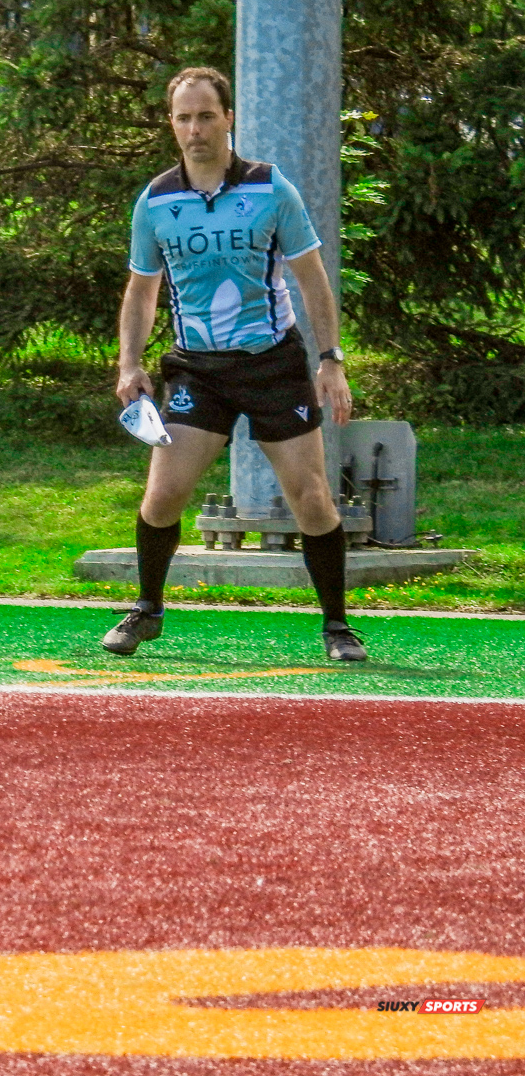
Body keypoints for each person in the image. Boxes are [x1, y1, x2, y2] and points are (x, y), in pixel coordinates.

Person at [106, 66, 366, 664]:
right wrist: (129, 363)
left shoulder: (271, 189)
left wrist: (331, 360)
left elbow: (312, 279)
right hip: (197, 370)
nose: (195, 129)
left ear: (228, 118)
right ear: (172, 124)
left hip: (272, 365)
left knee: (311, 498)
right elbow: (142, 289)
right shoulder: (156, 200)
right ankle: (147, 609)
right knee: (162, 496)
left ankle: (337, 624)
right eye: (183, 118)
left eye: (205, 116)